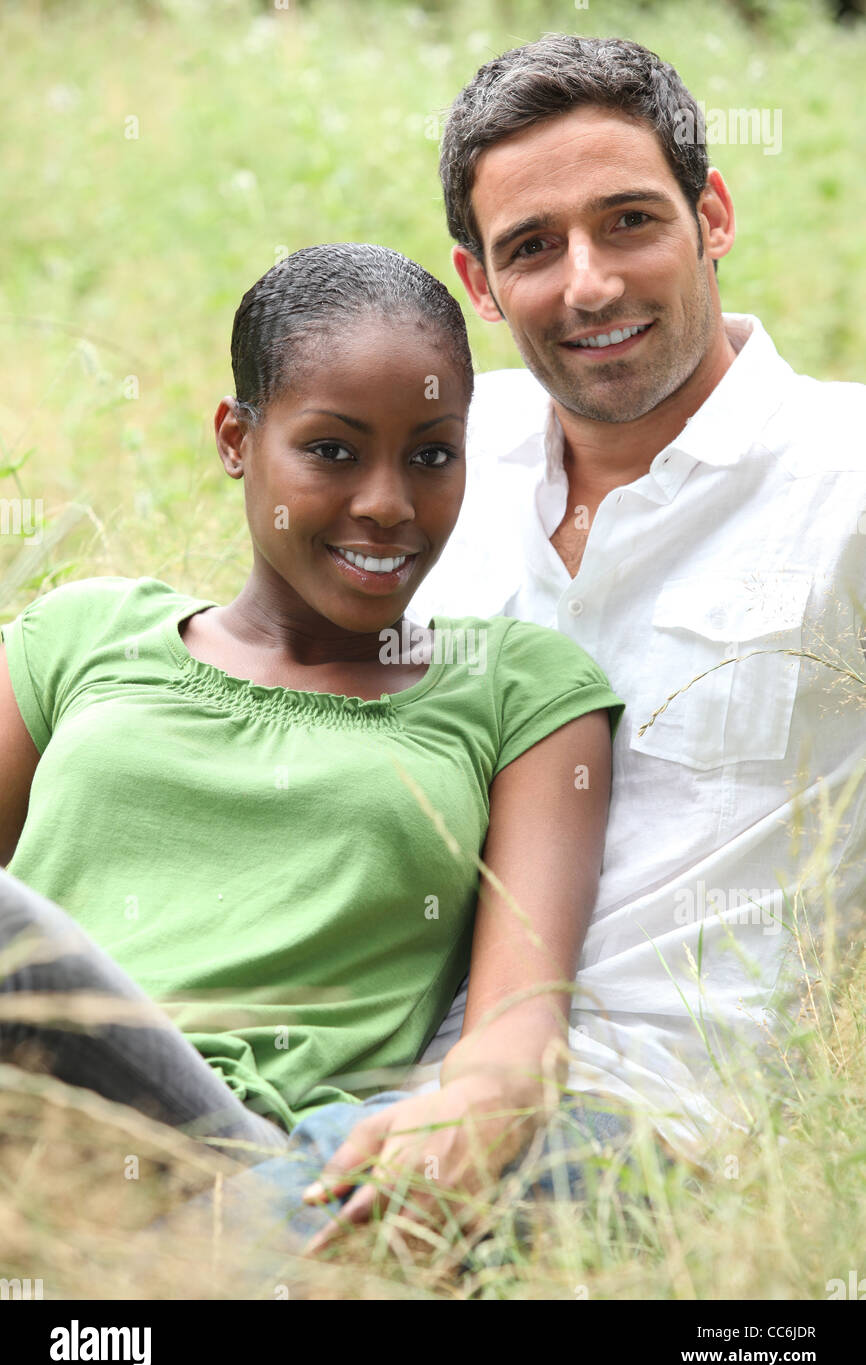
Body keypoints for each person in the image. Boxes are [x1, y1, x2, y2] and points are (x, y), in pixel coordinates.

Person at [0, 242, 626, 1260]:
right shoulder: (79, 635)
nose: (387, 502)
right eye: (332, 450)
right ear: (235, 439)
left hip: (235, 1151)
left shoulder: (518, 691)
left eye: (430, 454)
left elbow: (518, 1027)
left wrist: (468, 1118)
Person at [405, 34, 866, 1165]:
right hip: (367, 1073)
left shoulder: (842, 479)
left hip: (650, 1126)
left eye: (628, 221)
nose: (589, 283)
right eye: (531, 247)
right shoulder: (431, 459)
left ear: (709, 216)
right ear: (478, 284)